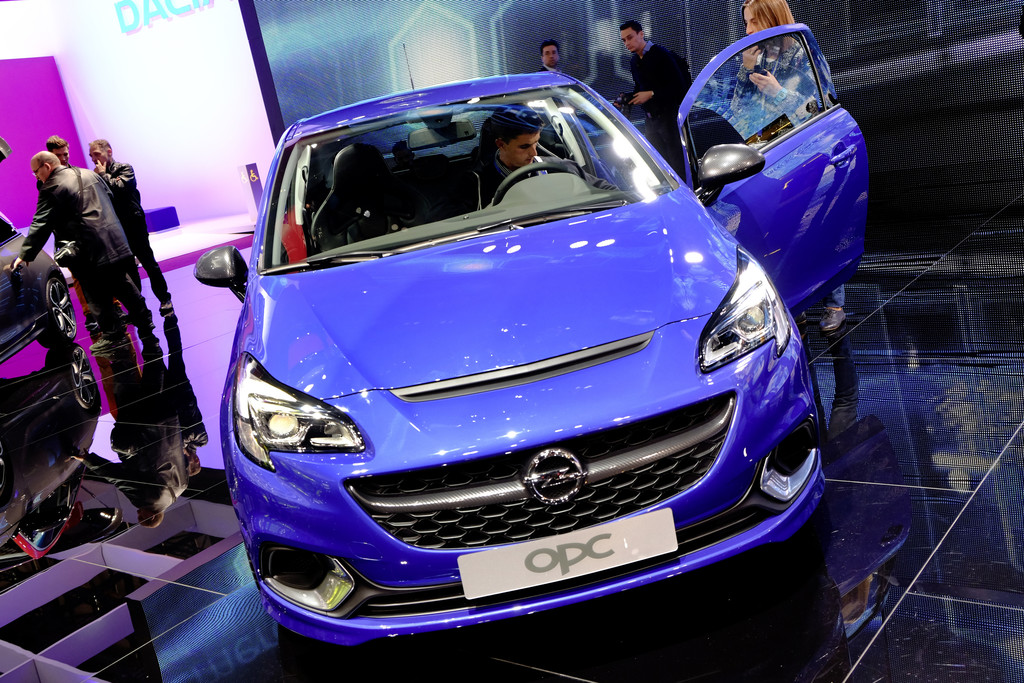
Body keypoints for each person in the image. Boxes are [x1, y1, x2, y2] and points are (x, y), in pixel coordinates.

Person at [739, 0, 846, 331]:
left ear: (771, 18)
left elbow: (821, 106)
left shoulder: (804, 52)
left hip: (809, 150)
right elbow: (741, 110)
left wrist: (779, 92)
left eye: (753, 22)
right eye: (746, 23)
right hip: (772, 152)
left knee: (817, 226)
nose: (748, 31)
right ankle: (794, 299)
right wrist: (745, 71)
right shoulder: (760, 57)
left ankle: (834, 303)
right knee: (783, 231)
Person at [13, 151, 159, 355]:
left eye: (36, 172)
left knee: (95, 294)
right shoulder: (89, 174)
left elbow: (41, 223)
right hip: (115, 239)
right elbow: (109, 198)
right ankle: (145, 322)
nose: (36, 176)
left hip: (89, 249)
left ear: (47, 166)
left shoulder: (51, 187)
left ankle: (112, 334)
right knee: (123, 284)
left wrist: (25, 254)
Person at [467, 106, 616, 209]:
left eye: (536, 143)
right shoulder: (475, 184)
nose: (534, 153)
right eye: (524, 146)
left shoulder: (561, 168)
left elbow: (613, 194)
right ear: (501, 144)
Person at [88, 139, 174, 317]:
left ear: (109, 151)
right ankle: (139, 309)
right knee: (128, 269)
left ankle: (165, 299)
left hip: (134, 223)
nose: (94, 160)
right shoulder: (96, 176)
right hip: (116, 227)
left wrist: (103, 175)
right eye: (91, 156)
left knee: (148, 262)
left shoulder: (124, 168)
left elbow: (121, 188)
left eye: (96, 154)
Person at [618, 20, 691, 177]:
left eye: (630, 37)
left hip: (669, 118)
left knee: (677, 165)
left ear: (641, 34)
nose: (627, 43)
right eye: (624, 40)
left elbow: (678, 87)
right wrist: (627, 98)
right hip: (651, 120)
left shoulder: (660, 54)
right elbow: (640, 88)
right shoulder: (635, 61)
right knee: (659, 165)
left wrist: (652, 94)